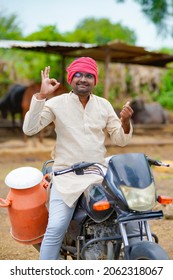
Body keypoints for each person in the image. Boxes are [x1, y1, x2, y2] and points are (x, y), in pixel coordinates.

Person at [23, 57, 134, 260]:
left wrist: (125, 122)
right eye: (79, 75)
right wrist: (41, 95)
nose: (84, 79)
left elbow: (120, 139)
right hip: (66, 176)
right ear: (71, 79)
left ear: (95, 80)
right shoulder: (56, 103)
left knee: (130, 217)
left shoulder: (104, 105)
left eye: (89, 75)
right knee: (56, 226)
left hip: (98, 177)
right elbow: (29, 129)